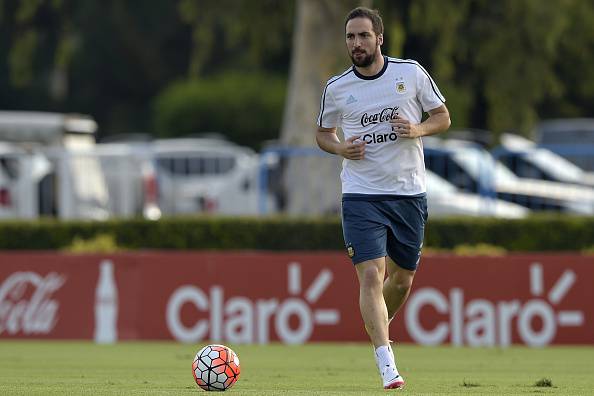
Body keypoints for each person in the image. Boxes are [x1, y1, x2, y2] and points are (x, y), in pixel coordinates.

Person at [315, 6, 450, 390]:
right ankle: (386, 360)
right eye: (350, 37)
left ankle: (375, 327)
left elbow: (443, 117)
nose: (356, 43)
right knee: (372, 275)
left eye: (362, 36)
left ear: (379, 38)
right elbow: (323, 134)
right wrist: (341, 149)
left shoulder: (410, 73)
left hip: (408, 193)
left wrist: (417, 128)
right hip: (361, 194)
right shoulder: (337, 88)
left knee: (403, 280)